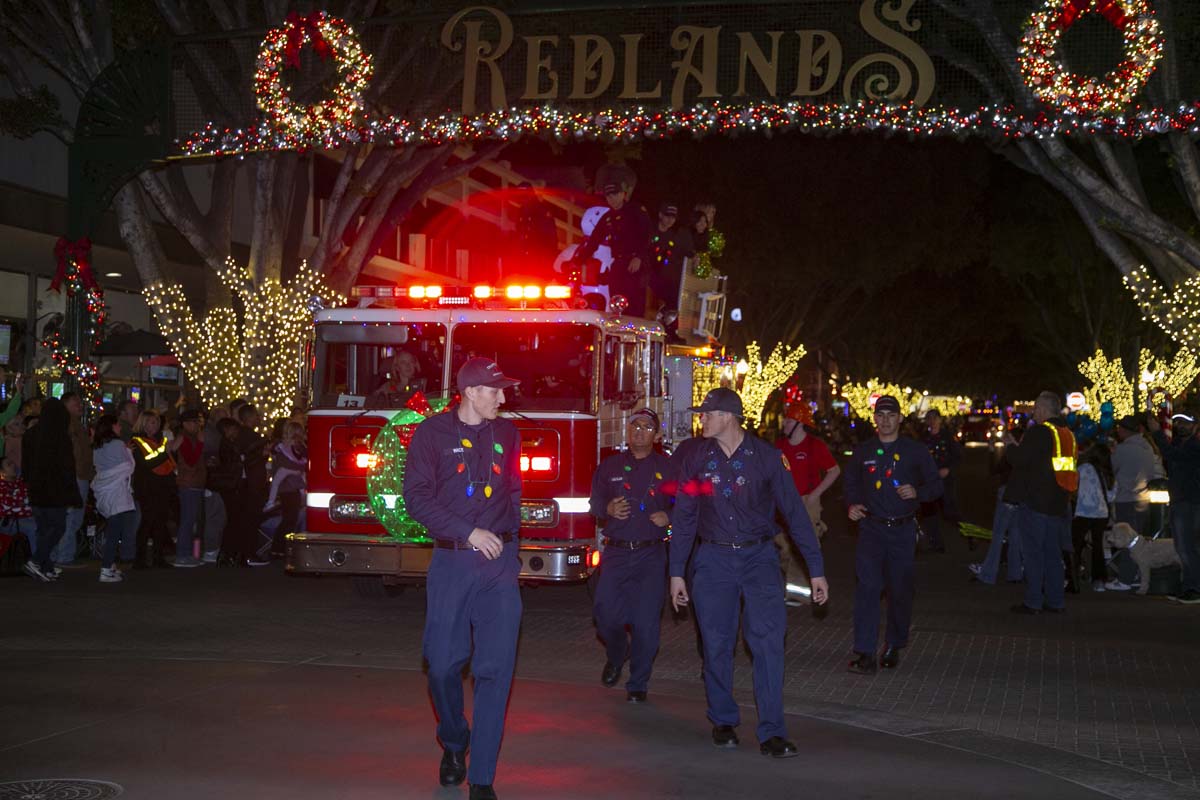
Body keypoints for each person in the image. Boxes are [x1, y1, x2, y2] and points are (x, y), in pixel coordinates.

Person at [667, 388, 829, 757]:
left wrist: (816, 568)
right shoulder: (696, 458)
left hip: (759, 560)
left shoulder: (768, 458)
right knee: (716, 643)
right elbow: (685, 516)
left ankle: (772, 731)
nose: (701, 419)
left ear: (727, 416)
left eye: (707, 414)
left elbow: (795, 514)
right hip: (713, 560)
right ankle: (723, 719)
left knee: (768, 643)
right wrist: (676, 571)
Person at [402, 357, 523, 800]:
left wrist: (511, 549)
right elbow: (416, 498)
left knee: (495, 670)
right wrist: (468, 532)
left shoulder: (508, 433)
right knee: (441, 665)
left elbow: (513, 491)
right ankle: (454, 740)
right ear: (471, 391)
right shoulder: (431, 434)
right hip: (452, 564)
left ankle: (483, 777)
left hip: (499, 567)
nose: (503, 398)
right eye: (495, 390)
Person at [844, 395, 942, 674]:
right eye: (880, 415)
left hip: (902, 530)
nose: (885, 420)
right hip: (871, 530)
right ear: (874, 418)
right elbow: (850, 482)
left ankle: (894, 644)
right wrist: (852, 504)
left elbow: (936, 485)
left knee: (899, 591)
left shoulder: (915, 451)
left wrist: (917, 492)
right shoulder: (863, 451)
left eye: (891, 415)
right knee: (867, 589)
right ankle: (865, 652)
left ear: (900, 418)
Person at [589, 408, 672, 703]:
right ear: (627, 430)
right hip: (616, 552)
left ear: (657, 435)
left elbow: (689, 503)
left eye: (647, 427)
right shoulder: (609, 466)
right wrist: (606, 508)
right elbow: (594, 502)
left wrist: (670, 516)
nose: (639, 431)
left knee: (645, 623)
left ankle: (638, 683)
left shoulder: (669, 468)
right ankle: (617, 652)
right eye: (635, 425)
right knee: (605, 615)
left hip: (651, 554)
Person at [1004, 391, 1074, 615]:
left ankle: (1033, 601)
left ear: (1043, 409)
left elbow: (1020, 460)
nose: (1033, 412)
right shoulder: (1066, 434)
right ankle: (1056, 601)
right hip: (1058, 503)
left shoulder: (1040, 431)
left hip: (1035, 502)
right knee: (1053, 555)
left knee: (1034, 555)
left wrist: (1010, 446)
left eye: (1035, 408)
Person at [775, 400, 840, 605]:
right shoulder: (780, 446)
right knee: (784, 545)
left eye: (788, 420)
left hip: (806, 502)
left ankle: (797, 594)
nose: (784, 424)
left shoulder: (814, 445)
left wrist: (815, 494)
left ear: (799, 423)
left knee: (803, 545)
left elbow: (834, 470)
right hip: (784, 502)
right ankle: (791, 587)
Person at [570, 169, 653, 317]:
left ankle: (635, 329)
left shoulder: (636, 211)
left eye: (615, 194)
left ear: (623, 194)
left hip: (635, 262)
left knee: (634, 304)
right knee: (616, 301)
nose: (612, 199)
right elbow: (593, 241)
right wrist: (578, 261)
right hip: (618, 263)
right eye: (608, 196)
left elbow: (646, 235)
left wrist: (638, 257)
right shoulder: (608, 217)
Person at [21, 397, 82, 582]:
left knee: (43, 529)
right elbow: (67, 467)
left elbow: (26, 463)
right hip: (55, 491)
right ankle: (37, 560)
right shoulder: (60, 437)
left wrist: (28, 483)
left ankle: (45, 567)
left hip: (36, 489)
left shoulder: (31, 434)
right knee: (57, 527)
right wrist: (72, 493)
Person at [1149, 413, 1200, 603]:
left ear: (1195, 426)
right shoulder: (1180, 444)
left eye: (1186, 423)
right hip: (1180, 500)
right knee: (1183, 547)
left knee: (1187, 547)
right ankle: (1189, 585)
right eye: (1178, 422)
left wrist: (1157, 433)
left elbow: (1172, 455)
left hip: (1190, 502)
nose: (1181, 426)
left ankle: (1194, 588)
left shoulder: (1194, 446)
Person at [92, 414, 136, 583]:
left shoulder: (97, 446)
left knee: (112, 529)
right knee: (114, 532)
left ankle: (110, 565)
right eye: (117, 425)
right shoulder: (117, 444)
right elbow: (128, 467)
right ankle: (105, 569)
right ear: (111, 426)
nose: (120, 427)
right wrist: (128, 452)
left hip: (104, 490)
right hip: (117, 491)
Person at [52, 391, 94, 568]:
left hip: (78, 473)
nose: (80, 405)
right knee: (72, 517)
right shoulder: (68, 424)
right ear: (65, 404)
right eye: (75, 402)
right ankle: (64, 555)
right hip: (75, 475)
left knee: (71, 517)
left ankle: (58, 554)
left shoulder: (74, 424)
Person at [131, 409, 176, 569]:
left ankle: (158, 557)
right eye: (152, 421)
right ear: (143, 423)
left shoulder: (159, 440)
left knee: (160, 522)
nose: (155, 424)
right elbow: (148, 462)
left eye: (157, 421)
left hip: (163, 485)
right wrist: (165, 450)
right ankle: (140, 559)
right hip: (147, 487)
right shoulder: (137, 441)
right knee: (147, 522)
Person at [1068, 437, 1113, 593]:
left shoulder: (1083, 468)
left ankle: (1073, 578)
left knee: (1076, 545)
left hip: (1083, 511)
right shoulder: (1106, 472)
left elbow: (1074, 487)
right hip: (1101, 512)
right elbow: (1111, 495)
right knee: (1097, 546)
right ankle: (1099, 579)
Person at [918, 408, 961, 553]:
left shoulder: (947, 437)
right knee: (929, 513)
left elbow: (958, 456)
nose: (932, 422)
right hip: (929, 481)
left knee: (950, 512)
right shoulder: (923, 439)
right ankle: (936, 543)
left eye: (935, 418)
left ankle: (970, 534)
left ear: (940, 420)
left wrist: (948, 469)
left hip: (945, 481)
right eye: (929, 418)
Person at [1112, 414, 1160, 535]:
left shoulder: (1121, 450)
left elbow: (1112, 469)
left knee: (1124, 537)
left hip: (1125, 498)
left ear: (1124, 430)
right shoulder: (1148, 447)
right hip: (1144, 498)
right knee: (1139, 536)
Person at [171, 409, 206, 567]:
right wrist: (200, 443)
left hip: (194, 482)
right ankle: (182, 555)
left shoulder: (190, 437)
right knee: (187, 520)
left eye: (198, 422)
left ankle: (188, 553)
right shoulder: (184, 438)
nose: (197, 425)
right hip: (189, 483)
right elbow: (191, 460)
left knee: (191, 520)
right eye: (194, 422)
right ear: (185, 424)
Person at [0, 455, 36, 557]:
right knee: (33, 527)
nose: (13, 465)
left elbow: (30, 499)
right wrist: (24, 503)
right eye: (9, 464)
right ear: (2, 472)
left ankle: (51, 558)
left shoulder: (20, 483)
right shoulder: (2, 486)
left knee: (49, 523)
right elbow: (8, 505)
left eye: (12, 463)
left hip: (26, 516)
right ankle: (38, 561)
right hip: (9, 521)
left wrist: (23, 502)